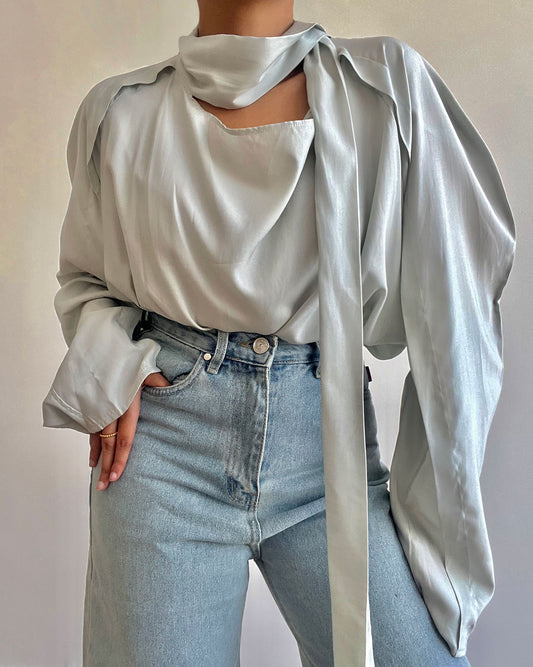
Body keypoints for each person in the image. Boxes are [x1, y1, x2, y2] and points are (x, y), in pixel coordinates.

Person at [42, 1, 516, 665]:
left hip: (325, 448)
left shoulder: (384, 88)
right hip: (164, 452)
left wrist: (442, 527)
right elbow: (89, 281)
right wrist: (111, 365)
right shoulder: (119, 111)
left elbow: (456, 314)